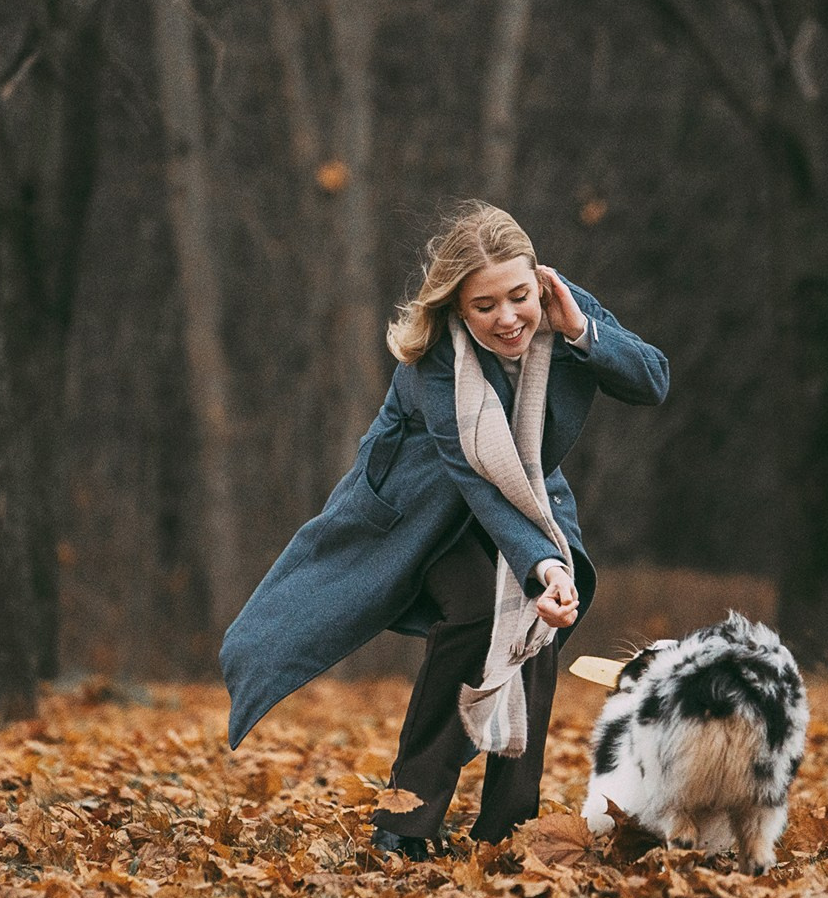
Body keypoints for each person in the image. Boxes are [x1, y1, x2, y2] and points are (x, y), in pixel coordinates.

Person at [220, 201, 669, 856]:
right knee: (477, 611)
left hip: (530, 498)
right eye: (484, 306)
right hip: (423, 508)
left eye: (518, 297)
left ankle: (510, 827)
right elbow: (477, 481)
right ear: (457, 306)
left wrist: (582, 331)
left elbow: (653, 380)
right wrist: (543, 566)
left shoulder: (565, 307)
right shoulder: (437, 362)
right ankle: (404, 822)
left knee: (538, 629)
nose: (508, 318)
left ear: (537, 281)